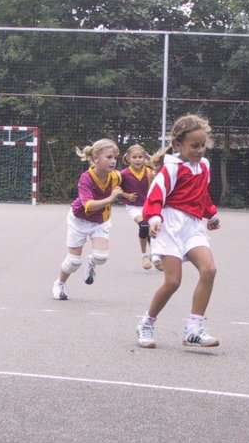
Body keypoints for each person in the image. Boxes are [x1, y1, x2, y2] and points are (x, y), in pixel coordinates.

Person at [135, 114, 221, 348]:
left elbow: (202, 195)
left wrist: (211, 214)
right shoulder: (170, 169)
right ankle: (146, 322)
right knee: (173, 282)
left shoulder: (204, 166)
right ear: (178, 144)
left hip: (193, 226)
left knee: (209, 269)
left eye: (203, 145)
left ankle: (193, 328)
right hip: (170, 226)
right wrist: (154, 218)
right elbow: (154, 197)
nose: (200, 150)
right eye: (194, 146)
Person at [51, 139, 123, 301]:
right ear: (95, 158)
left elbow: (129, 182)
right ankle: (60, 283)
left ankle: (91, 262)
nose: (113, 161)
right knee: (73, 262)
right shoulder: (86, 178)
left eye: (115, 158)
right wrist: (111, 198)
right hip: (79, 220)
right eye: (109, 157)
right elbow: (89, 205)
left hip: (101, 220)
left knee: (101, 257)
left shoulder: (116, 176)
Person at [118, 144, 158, 270]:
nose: (137, 160)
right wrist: (126, 195)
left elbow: (155, 190)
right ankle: (144, 255)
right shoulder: (123, 174)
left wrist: (153, 180)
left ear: (144, 158)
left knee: (154, 229)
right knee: (144, 225)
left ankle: (155, 256)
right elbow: (116, 189)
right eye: (134, 157)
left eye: (140, 157)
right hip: (134, 206)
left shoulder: (150, 172)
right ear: (128, 158)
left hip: (149, 205)